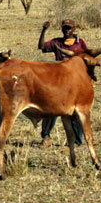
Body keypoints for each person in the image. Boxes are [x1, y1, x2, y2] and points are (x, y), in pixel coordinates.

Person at [38, 19, 89, 147]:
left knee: (74, 111)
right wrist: (44, 30)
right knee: (52, 108)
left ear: (74, 29)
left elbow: (87, 60)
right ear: (62, 29)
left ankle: (77, 140)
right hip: (58, 81)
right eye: (65, 28)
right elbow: (42, 46)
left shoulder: (80, 43)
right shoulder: (57, 42)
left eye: (69, 28)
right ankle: (46, 136)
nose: (67, 30)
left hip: (74, 82)